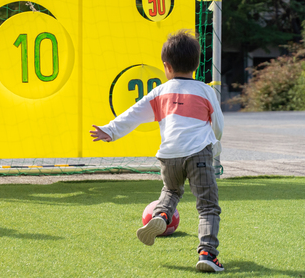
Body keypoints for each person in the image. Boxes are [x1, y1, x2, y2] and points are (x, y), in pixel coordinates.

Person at [90, 30, 224, 273]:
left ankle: (161, 215)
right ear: (196, 64)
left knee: (171, 191)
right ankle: (207, 253)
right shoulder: (206, 91)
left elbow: (134, 113)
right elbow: (218, 125)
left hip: (169, 155)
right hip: (198, 154)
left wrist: (110, 131)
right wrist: (214, 144)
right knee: (207, 206)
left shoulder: (160, 92)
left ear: (166, 66)